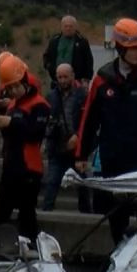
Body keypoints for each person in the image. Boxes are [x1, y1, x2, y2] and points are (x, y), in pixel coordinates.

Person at [75, 17, 137, 242]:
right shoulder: (102, 79)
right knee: (116, 215)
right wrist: (81, 154)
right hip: (113, 159)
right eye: (131, 49)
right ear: (120, 48)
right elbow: (89, 119)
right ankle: (119, 254)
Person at [0, 54, 49, 240]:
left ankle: (32, 245)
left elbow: (34, 133)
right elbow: (13, 134)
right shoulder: (13, 105)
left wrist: (12, 122)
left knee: (27, 214)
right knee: (0, 213)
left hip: (29, 168)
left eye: (16, 87)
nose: (13, 91)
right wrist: (4, 123)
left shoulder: (40, 106)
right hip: (12, 165)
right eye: (10, 88)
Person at [43, 63, 90, 212]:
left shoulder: (82, 95)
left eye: (65, 77)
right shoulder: (51, 96)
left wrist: (78, 137)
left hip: (76, 149)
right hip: (57, 147)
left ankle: (87, 215)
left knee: (82, 186)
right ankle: (46, 213)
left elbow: (88, 121)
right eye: (60, 77)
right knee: (52, 183)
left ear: (72, 76)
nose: (62, 80)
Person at [43, 14, 95, 84]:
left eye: (71, 26)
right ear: (61, 27)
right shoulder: (54, 41)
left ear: (75, 27)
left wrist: (87, 79)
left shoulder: (82, 41)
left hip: (76, 81)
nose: (68, 28)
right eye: (66, 26)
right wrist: (49, 67)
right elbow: (47, 56)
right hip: (57, 80)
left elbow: (88, 60)